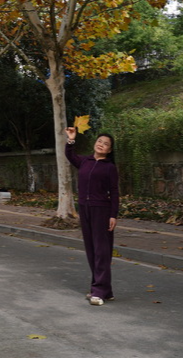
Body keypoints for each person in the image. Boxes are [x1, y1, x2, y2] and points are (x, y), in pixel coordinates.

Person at [64, 126, 119, 306]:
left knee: (102, 250)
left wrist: (113, 215)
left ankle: (98, 290)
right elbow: (70, 155)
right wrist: (71, 139)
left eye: (106, 144)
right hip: (85, 208)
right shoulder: (85, 161)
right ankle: (105, 289)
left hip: (101, 210)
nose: (101, 145)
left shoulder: (110, 167)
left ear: (110, 150)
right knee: (91, 249)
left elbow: (115, 192)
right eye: (99, 141)